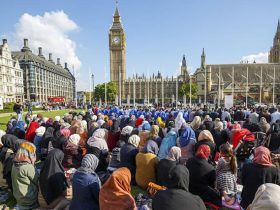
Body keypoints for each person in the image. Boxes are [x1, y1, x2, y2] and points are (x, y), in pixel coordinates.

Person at [11, 142, 38, 210]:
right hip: (28, 198)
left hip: (18, 195)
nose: (34, 154)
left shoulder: (15, 163)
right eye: (32, 153)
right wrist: (33, 163)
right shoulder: (27, 166)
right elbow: (37, 181)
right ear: (28, 153)